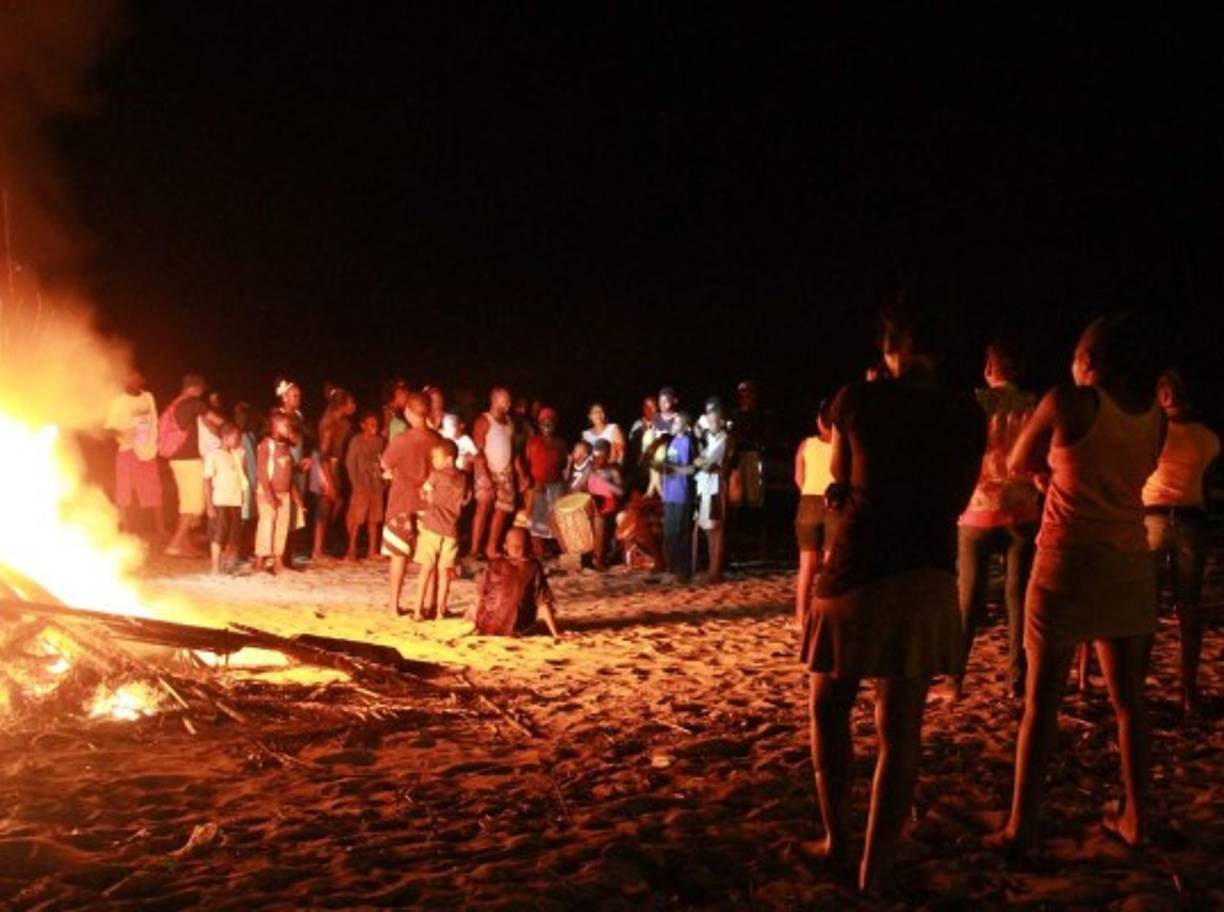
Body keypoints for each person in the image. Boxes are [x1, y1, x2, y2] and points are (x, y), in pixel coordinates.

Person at [802, 299, 984, 893]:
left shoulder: (858, 398)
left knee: (830, 706)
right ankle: (874, 869)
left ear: (895, 346)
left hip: (859, 569)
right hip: (930, 573)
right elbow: (958, 501)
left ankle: (837, 840)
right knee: (900, 728)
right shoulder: (966, 412)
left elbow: (845, 482)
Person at [988, 314, 1164, 856]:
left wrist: (1046, 475)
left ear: (1087, 360)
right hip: (1130, 562)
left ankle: (1023, 825)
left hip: (1067, 558)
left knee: (1042, 703)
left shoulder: (1068, 401)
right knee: (1129, 704)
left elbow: (1017, 461)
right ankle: (1137, 816)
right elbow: (1123, 476)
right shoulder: (1155, 417)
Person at [954, 343, 1040, 699]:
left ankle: (953, 677)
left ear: (990, 368)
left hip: (978, 508)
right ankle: (1016, 678)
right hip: (1021, 509)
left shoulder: (975, 404)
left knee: (968, 599)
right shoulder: (1033, 406)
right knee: (1018, 598)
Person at [1141, 368, 1220, 716]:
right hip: (1190, 520)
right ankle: (1187, 693)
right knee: (1188, 610)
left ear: (1164, 396)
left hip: (1153, 518)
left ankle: (1136, 686)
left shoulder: (1152, 432)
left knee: (1144, 608)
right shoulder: (1208, 438)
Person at [382, 392, 441, 615]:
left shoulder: (402, 440)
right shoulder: (437, 440)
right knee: (429, 557)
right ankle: (428, 605)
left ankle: (394, 605)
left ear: (408, 412)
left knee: (398, 555)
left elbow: (386, 463)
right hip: (428, 504)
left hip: (402, 502)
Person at [163, 373, 224, 557]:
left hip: (175, 459)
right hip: (189, 461)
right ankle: (174, 545)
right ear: (195, 387)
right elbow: (218, 422)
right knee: (194, 505)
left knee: (186, 504)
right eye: (200, 389)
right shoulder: (195, 404)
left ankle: (184, 544)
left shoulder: (175, 404)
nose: (201, 393)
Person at [411, 439, 468, 620]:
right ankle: (440, 611)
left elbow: (422, 492)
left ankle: (418, 610)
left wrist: (428, 497)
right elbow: (466, 499)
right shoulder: (464, 477)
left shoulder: (436, 475)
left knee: (426, 569)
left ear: (449, 459)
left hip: (432, 527)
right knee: (445, 572)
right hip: (451, 530)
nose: (433, 461)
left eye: (436, 457)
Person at [105, 370, 165, 539]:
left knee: (154, 487)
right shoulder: (119, 402)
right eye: (130, 378)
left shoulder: (148, 397)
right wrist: (123, 434)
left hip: (147, 449)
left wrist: (154, 441)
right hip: (127, 449)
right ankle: (126, 527)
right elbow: (109, 428)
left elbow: (154, 421)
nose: (134, 380)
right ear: (125, 381)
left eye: (137, 377)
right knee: (124, 488)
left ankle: (160, 528)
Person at [470, 527, 561, 638]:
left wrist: (555, 633)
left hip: (492, 626)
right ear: (505, 546)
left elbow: (542, 602)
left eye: (519, 546)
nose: (516, 549)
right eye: (513, 546)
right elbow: (542, 603)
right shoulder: (495, 565)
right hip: (504, 627)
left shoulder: (532, 567)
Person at [794, 401, 834, 627]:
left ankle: (800, 615)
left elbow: (799, 478)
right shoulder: (841, 445)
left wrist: (808, 492)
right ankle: (825, 616)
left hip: (809, 501)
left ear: (819, 421)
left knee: (806, 565)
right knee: (830, 565)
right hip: (833, 503)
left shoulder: (806, 444)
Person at [471, 387, 523, 560]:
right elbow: (477, 452)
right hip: (486, 469)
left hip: (505, 472)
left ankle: (491, 548)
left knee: (502, 511)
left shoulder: (509, 422)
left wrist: (521, 474)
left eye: (509, 400)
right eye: (505, 400)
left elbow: (513, 452)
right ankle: (474, 549)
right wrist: (484, 475)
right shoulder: (484, 421)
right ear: (494, 400)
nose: (509, 403)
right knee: (483, 507)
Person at [255, 411, 304, 574]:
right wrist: (269, 496)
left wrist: (297, 499)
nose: (288, 428)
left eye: (289, 426)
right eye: (285, 425)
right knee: (266, 525)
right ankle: (259, 561)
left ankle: (277, 560)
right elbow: (262, 472)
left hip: (284, 495)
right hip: (267, 493)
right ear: (274, 426)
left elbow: (289, 477)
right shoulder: (265, 445)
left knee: (281, 528)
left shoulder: (286, 448)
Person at [313, 385, 356, 560]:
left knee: (336, 502)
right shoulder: (329, 424)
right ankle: (317, 549)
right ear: (343, 405)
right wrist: (329, 481)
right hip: (324, 465)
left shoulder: (344, 423)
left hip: (334, 464)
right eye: (352, 402)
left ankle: (322, 545)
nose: (355, 405)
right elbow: (324, 456)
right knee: (325, 503)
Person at [693, 398, 732, 582]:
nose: (711, 424)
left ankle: (715, 571)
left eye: (714, 420)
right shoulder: (710, 436)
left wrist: (700, 461)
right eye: (709, 420)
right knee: (708, 529)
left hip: (715, 485)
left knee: (716, 529)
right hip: (704, 486)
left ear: (721, 421)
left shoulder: (722, 438)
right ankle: (712, 568)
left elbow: (706, 463)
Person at [203, 422, 249, 575]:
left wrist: (240, 457)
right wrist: (209, 505)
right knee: (218, 536)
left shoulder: (236, 455)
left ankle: (228, 565)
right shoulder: (213, 455)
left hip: (235, 501)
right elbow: (207, 482)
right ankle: (215, 567)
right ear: (225, 437)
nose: (239, 441)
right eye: (236, 437)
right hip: (220, 501)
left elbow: (242, 477)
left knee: (233, 536)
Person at [524, 407, 568, 557]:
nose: (547, 427)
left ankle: (566, 552)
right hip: (537, 485)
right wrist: (530, 484)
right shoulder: (533, 442)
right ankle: (539, 552)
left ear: (555, 425)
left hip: (555, 484)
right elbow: (527, 462)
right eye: (544, 423)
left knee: (558, 520)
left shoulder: (560, 443)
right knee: (535, 520)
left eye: (550, 423)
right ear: (539, 424)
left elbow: (562, 464)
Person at [344, 410, 386, 560]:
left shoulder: (380, 441)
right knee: (357, 518)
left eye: (376, 424)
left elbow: (383, 461)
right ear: (363, 425)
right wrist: (355, 483)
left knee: (374, 519)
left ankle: (372, 550)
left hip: (376, 484)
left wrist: (383, 482)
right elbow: (350, 464)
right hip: (361, 484)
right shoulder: (356, 440)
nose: (374, 427)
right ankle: (351, 549)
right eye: (371, 424)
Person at [661, 411, 696, 583]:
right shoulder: (673, 441)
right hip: (670, 493)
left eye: (676, 422)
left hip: (681, 494)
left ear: (686, 426)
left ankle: (683, 572)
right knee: (670, 533)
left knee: (681, 533)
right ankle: (673, 569)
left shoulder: (687, 442)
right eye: (673, 422)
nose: (673, 425)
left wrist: (672, 469)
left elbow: (690, 469)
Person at [586, 439, 625, 569]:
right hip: (592, 501)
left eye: (601, 457)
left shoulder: (613, 470)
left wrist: (605, 482)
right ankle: (592, 556)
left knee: (600, 523)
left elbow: (620, 492)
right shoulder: (590, 469)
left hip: (607, 503)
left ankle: (598, 558)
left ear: (607, 455)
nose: (598, 460)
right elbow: (580, 485)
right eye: (595, 457)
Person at [628, 395, 660, 494]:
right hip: (641, 469)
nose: (649, 410)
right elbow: (632, 448)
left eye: (652, 406)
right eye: (647, 407)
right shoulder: (637, 425)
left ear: (657, 407)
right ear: (643, 409)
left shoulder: (663, 423)